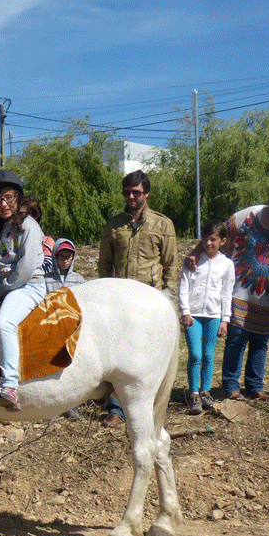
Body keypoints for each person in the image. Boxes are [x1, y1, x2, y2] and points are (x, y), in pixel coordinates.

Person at [98, 169, 177, 426]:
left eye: (136, 192)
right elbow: (104, 265)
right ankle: (117, 409)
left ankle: (155, 412)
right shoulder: (113, 225)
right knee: (117, 356)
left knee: (151, 359)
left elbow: (171, 266)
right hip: (119, 303)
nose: (131, 196)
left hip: (150, 302)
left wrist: (168, 298)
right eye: (127, 192)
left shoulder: (163, 225)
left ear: (147, 193)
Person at [0, 170, 46, 411]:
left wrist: (2, 289)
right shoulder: (6, 227)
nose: (4, 204)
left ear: (18, 198)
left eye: (9, 197)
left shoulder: (29, 226)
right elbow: (1, 265)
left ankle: (10, 384)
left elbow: (26, 267)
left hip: (29, 286)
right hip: (10, 286)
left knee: (4, 323)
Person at [177, 222, 234, 414]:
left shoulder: (227, 264)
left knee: (208, 355)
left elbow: (227, 293)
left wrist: (225, 319)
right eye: (205, 239)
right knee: (195, 354)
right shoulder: (193, 261)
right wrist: (185, 311)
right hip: (193, 315)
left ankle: (205, 392)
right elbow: (184, 286)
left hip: (213, 315)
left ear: (222, 241)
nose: (208, 243)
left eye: (213, 239)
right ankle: (193, 394)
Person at [219, 201, 269, 401]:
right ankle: (231, 386)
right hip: (240, 290)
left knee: (261, 342)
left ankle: (255, 386)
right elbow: (220, 234)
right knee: (237, 338)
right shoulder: (250, 215)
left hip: (266, 297)